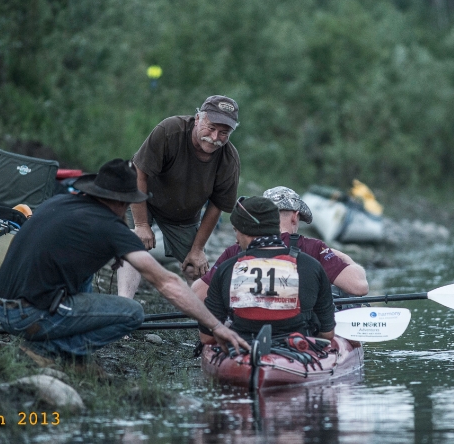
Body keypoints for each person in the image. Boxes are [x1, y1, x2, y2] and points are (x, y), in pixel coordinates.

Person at [0, 159, 249, 366]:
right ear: (120, 202)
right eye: (128, 204)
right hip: (26, 316)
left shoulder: (63, 202)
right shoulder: (108, 226)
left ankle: (64, 345)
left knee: (85, 271)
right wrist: (215, 326)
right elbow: (166, 282)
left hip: (0, 304)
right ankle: (51, 350)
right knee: (132, 313)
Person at [118, 95, 240, 298]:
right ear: (198, 118)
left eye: (223, 132)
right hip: (144, 200)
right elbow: (139, 173)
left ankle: (205, 314)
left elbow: (217, 206)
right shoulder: (170, 131)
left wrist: (197, 249)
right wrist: (141, 225)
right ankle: (124, 302)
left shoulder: (229, 160)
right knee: (134, 243)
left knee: (195, 266)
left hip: (183, 215)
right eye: (211, 128)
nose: (215, 137)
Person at [192, 186, 369, 301]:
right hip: (301, 332)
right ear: (295, 216)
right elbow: (359, 287)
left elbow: (197, 294)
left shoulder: (236, 250)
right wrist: (343, 257)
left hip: (248, 332)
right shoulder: (314, 248)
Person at [199, 196, 336, 344]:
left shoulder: (227, 269)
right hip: (297, 349)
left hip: (242, 349)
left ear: (245, 230)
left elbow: (207, 337)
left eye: (236, 231)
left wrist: (226, 328)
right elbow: (327, 333)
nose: (236, 240)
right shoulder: (312, 266)